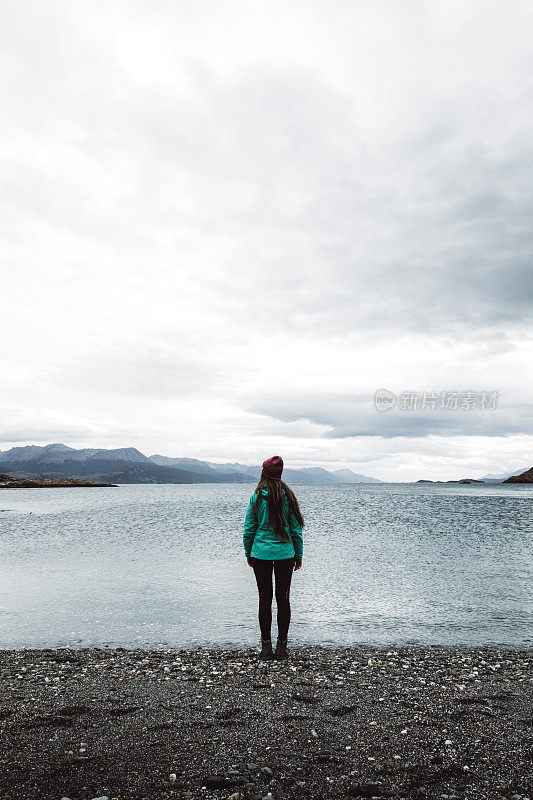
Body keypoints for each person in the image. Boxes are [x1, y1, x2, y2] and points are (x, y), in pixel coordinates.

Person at [243, 455, 304, 661]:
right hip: (286, 555)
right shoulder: (288, 495)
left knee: (264, 599)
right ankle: (282, 648)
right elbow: (296, 529)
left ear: (264, 472)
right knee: (283, 599)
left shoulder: (257, 496)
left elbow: (249, 529)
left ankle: (266, 648)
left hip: (260, 554)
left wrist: (248, 552)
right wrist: (299, 554)